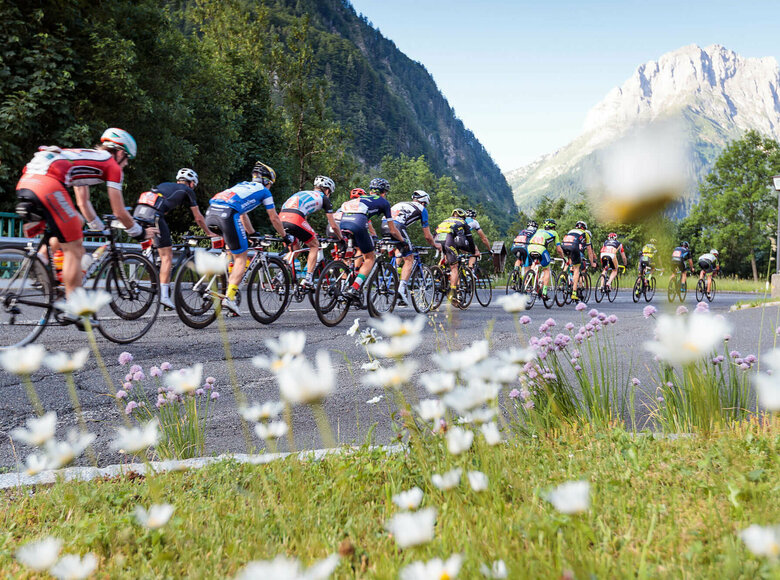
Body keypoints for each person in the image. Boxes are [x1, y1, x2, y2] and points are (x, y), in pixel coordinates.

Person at [14, 128, 153, 299]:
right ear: (119, 152)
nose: (126, 164)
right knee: (76, 248)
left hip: (27, 180)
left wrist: (98, 227)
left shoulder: (86, 158)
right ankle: (73, 305)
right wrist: (139, 232)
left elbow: (83, 202)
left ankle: (44, 262)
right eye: (127, 159)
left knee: (76, 222)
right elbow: (119, 211)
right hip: (47, 182)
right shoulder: (112, 165)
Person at [204, 161, 292, 315]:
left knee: (231, 252)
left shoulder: (242, 185)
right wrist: (285, 236)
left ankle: (219, 285)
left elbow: (243, 214)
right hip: (227, 214)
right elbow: (274, 218)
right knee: (241, 257)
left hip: (211, 212)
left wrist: (251, 233)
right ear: (266, 181)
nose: (270, 187)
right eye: (270, 184)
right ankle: (229, 297)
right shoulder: (265, 192)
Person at [133, 168, 215, 309]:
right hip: (154, 214)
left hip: (139, 211)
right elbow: (198, 218)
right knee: (167, 256)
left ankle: (149, 262)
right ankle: (164, 296)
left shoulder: (166, 186)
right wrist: (209, 233)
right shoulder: (187, 190)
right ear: (191, 183)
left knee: (156, 241)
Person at [279, 175, 343, 290]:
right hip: (295, 218)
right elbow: (333, 225)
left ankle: (280, 274)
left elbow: (305, 218)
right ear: (327, 190)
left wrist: (309, 233)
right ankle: (308, 279)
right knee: (315, 245)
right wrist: (341, 239)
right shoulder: (324, 197)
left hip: (281, 218)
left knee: (296, 248)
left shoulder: (304, 193)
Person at [340, 187, 403, 301]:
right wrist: (402, 241)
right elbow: (392, 230)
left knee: (355, 251)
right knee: (370, 257)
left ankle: (347, 277)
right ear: (383, 193)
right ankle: (354, 287)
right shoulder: (384, 202)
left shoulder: (360, 198)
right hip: (358, 221)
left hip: (343, 221)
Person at [381, 186, 441, 306]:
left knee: (402, 248)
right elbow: (428, 236)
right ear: (424, 202)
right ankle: (401, 289)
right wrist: (435, 244)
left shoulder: (401, 203)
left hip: (383, 226)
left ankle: (387, 278)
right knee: (409, 259)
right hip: (397, 227)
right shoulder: (422, 209)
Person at [434, 208, 475, 304]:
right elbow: (469, 239)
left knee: (446, 256)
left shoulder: (445, 220)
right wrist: (472, 251)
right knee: (454, 267)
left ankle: (438, 273)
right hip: (448, 240)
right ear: (463, 217)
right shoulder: (463, 222)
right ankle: (453, 292)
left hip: (436, 239)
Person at [526, 218, 565, 299]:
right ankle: (544, 292)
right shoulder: (554, 233)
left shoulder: (539, 230)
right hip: (541, 248)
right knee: (546, 269)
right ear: (553, 227)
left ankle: (529, 277)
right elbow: (558, 249)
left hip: (530, 247)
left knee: (535, 263)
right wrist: (563, 257)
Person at [561, 220, 596, 301]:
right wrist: (592, 263)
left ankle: (564, 274)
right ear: (584, 228)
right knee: (577, 269)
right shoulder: (585, 234)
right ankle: (574, 292)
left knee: (569, 259)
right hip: (575, 249)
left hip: (564, 246)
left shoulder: (571, 231)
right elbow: (590, 252)